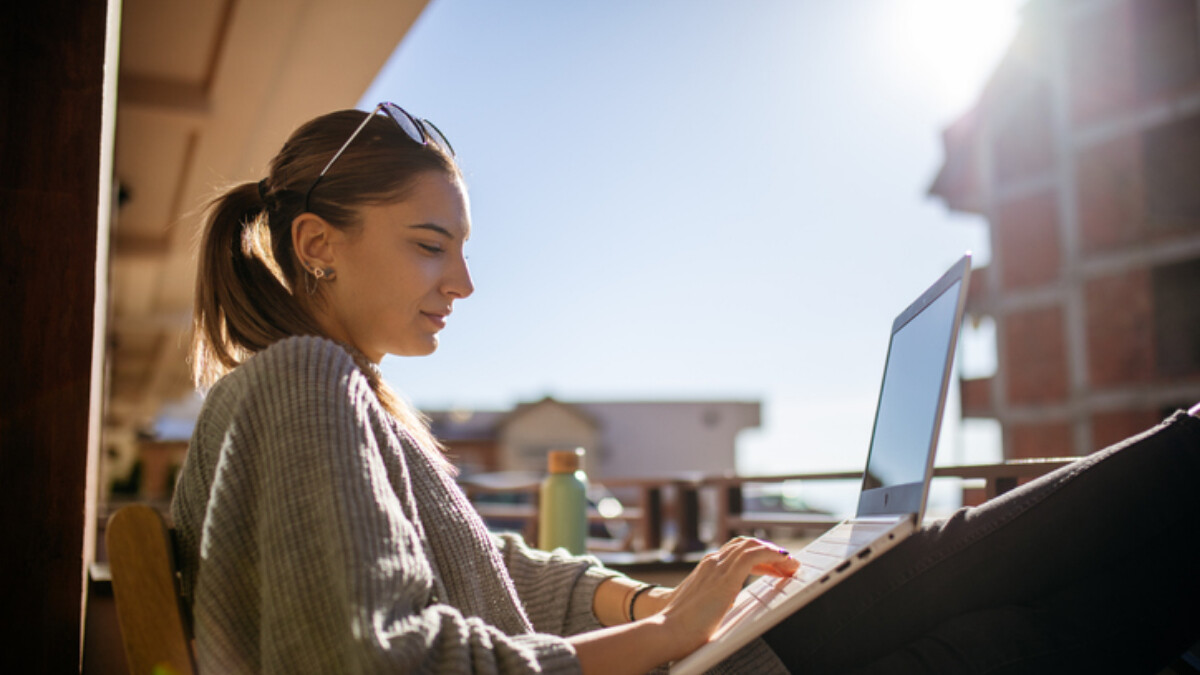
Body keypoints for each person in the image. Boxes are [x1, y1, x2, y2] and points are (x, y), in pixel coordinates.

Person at [171, 103, 1200, 674]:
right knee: (964, 582)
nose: (465, 282)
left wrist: (656, 600)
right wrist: (662, 637)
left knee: (991, 620)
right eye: (430, 245)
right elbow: (371, 665)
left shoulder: (329, 395)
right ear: (318, 247)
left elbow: (491, 576)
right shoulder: (306, 383)